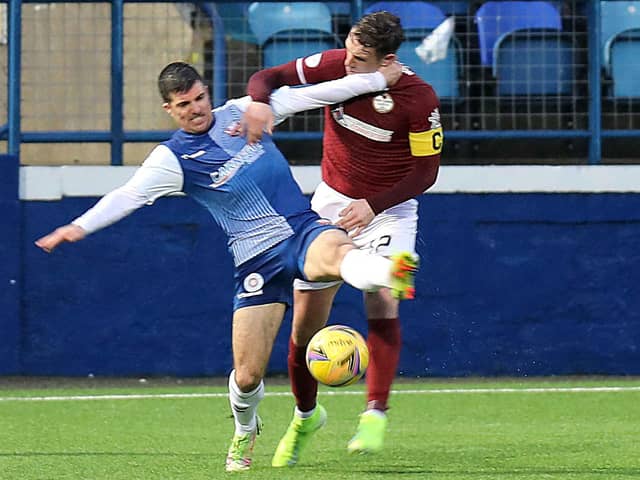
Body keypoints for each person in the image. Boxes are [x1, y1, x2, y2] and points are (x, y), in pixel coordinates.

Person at [34, 61, 416, 473]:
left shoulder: (245, 110)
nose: (196, 109)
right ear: (169, 109)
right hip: (256, 262)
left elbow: (322, 92)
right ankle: (245, 429)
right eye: (184, 104)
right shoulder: (172, 159)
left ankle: (390, 272)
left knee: (340, 255)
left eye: (200, 98)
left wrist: (379, 80)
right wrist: (78, 226)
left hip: (301, 232)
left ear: (207, 92)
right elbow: (127, 196)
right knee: (248, 375)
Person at [242, 10, 442, 465]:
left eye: (360, 59)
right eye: (348, 51)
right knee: (304, 326)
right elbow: (267, 76)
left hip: (388, 211)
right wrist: (257, 101)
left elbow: (426, 172)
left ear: (387, 60)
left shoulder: (418, 98)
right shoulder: (335, 64)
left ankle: (375, 413)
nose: (347, 65)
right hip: (331, 203)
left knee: (383, 296)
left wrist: (374, 205)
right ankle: (305, 415)